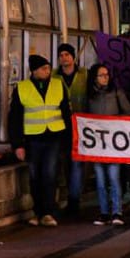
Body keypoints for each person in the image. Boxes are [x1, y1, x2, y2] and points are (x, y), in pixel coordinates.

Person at [8, 54, 70, 227]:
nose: (48, 71)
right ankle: (38, 211)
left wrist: (68, 139)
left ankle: (48, 212)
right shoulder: (22, 88)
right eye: (44, 68)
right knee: (35, 177)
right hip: (33, 138)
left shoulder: (58, 85)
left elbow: (65, 112)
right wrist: (17, 144)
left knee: (50, 175)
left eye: (48, 68)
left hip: (54, 137)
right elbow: (14, 118)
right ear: (34, 71)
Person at [86, 63, 130, 225]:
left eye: (107, 74)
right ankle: (104, 212)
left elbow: (129, 112)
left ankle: (117, 212)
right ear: (95, 77)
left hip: (113, 143)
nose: (105, 78)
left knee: (113, 178)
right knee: (100, 179)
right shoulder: (90, 95)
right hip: (97, 144)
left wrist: (117, 123)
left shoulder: (116, 93)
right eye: (102, 75)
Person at [55, 42, 88, 217]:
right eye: (61, 55)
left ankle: (74, 200)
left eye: (67, 55)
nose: (64, 58)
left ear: (73, 57)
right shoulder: (54, 77)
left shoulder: (84, 75)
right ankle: (67, 196)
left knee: (77, 163)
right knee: (64, 163)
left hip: (81, 125)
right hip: (60, 126)